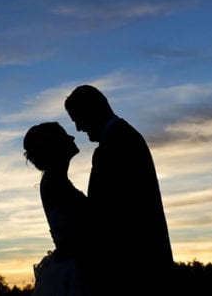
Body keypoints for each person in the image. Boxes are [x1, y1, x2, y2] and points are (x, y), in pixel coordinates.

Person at [64, 85, 173, 293]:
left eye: (78, 119)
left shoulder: (115, 145)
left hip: (134, 268)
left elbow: (105, 212)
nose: (78, 128)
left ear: (92, 110)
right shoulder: (125, 137)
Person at [23, 122, 94, 296]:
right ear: (55, 147)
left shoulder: (55, 181)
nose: (72, 137)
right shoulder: (55, 184)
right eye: (65, 135)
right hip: (77, 273)